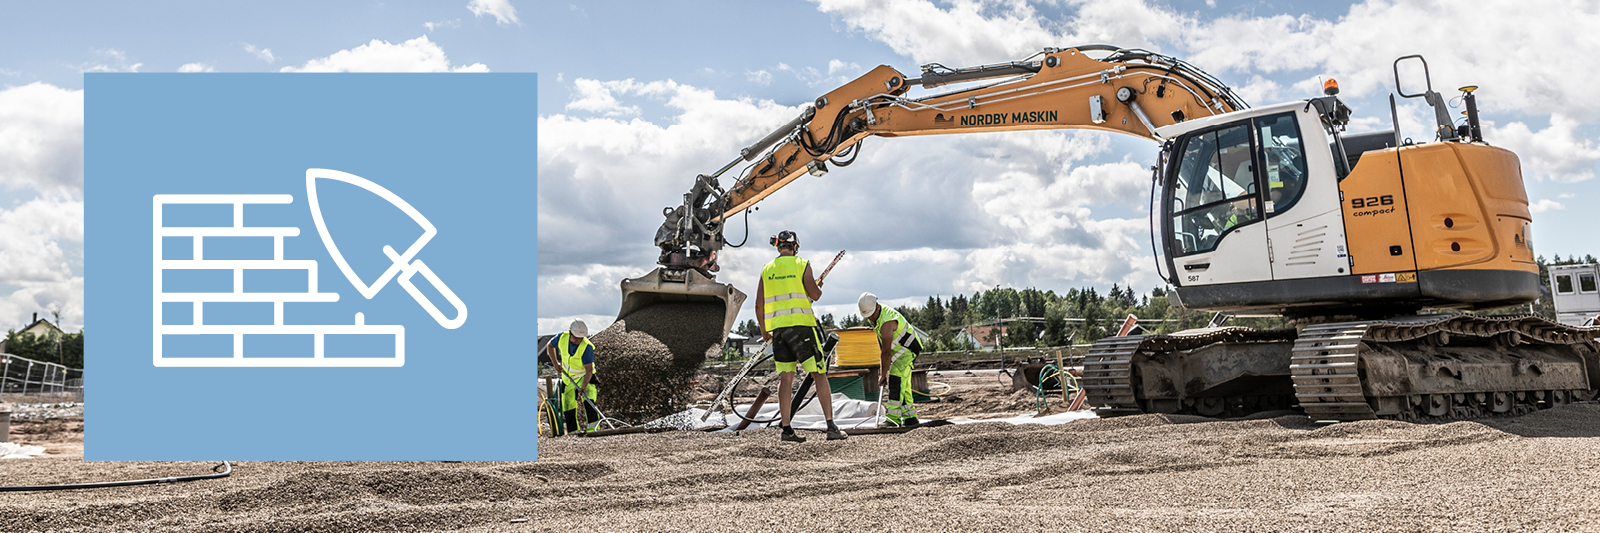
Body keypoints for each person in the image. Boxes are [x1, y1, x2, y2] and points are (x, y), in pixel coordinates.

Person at [755, 230, 846, 443]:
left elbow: (759, 303)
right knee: (818, 374)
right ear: (795, 246)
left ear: (779, 246)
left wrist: (763, 330)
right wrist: (816, 286)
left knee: (786, 378)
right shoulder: (802, 264)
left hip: (779, 331)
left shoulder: (767, 270)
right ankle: (831, 426)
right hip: (803, 328)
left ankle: (787, 429)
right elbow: (814, 295)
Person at [858, 292, 926, 427]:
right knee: (904, 385)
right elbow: (882, 347)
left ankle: (893, 419)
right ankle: (910, 418)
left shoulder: (887, 321)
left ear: (877, 307)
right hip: (900, 352)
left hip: (907, 350)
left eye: (871, 314)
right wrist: (882, 372)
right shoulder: (876, 318)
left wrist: (883, 375)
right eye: (867, 316)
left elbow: (886, 352)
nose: (870, 318)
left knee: (896, 380)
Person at [547, 319, 601, 434]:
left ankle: (594, 431)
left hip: (585, 376)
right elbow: (550, 346)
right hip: (568, 378)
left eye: (581, 338)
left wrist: (584, 386)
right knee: (568, 404)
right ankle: (573, 432)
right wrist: (556, 364)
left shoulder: (586, 347)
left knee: (589, 402)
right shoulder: (561, 338)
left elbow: (589, 369)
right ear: (570, 333)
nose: (579, 340)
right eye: (577, 337)